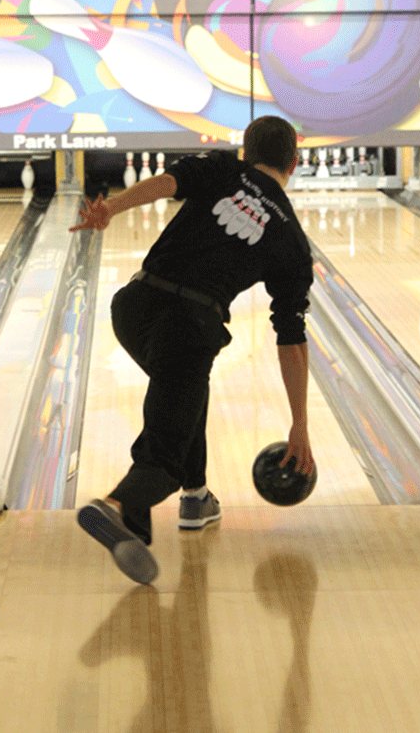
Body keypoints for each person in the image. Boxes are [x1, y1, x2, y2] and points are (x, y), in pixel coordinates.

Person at [71, 115, 315, 584]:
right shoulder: (290, 240)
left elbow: (165, 183)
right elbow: (291, 337)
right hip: (187, 329)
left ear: (246, 152)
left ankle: (193, 499)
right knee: (163, 455)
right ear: (295, 163)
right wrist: (299, 424)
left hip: (134, 308)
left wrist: (112, 208)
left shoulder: (223, 168)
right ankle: (116, 506)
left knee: (182, 397)